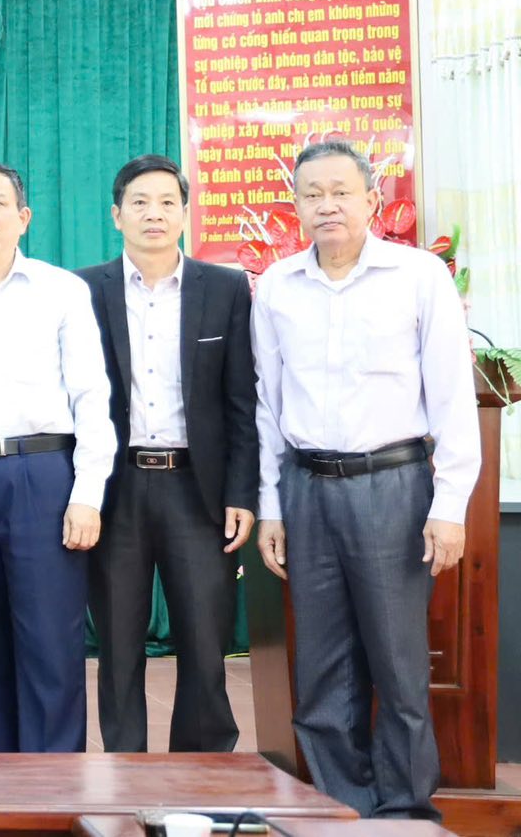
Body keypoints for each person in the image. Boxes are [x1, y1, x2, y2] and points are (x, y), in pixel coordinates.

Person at [253, 140, 479, 819]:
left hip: (393, 486)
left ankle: (405, 812)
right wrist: (271, 506)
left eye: (341, 192)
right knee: (321, 667)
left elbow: (452, 397)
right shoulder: (278, 287)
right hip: (306, 487)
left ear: (372, 201)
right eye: (312, 194)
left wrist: (451, 503)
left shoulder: (417, 276)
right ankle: (339, 811)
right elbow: (268, 404)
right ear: (296, 206)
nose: (327, 205)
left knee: (397, 663)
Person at [78, 155, 257, 754]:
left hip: (197, 489)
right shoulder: (84, 290)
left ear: (184, 212)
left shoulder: (225, 288)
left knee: (205, 640)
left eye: (166, 202)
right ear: (116, 215)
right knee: (117, 644)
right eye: (139, 202)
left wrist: (241, 493)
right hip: (117, 487)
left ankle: (203, 770)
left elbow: (242, 401)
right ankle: (124, 770)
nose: (153, 214)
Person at [0, 161, 114, 753]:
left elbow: (91, 396)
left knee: (50, 640)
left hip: (43, 475)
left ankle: (57, 783)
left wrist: (87, 494)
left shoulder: (61, 290)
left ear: (23, 217)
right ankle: (4, 775)